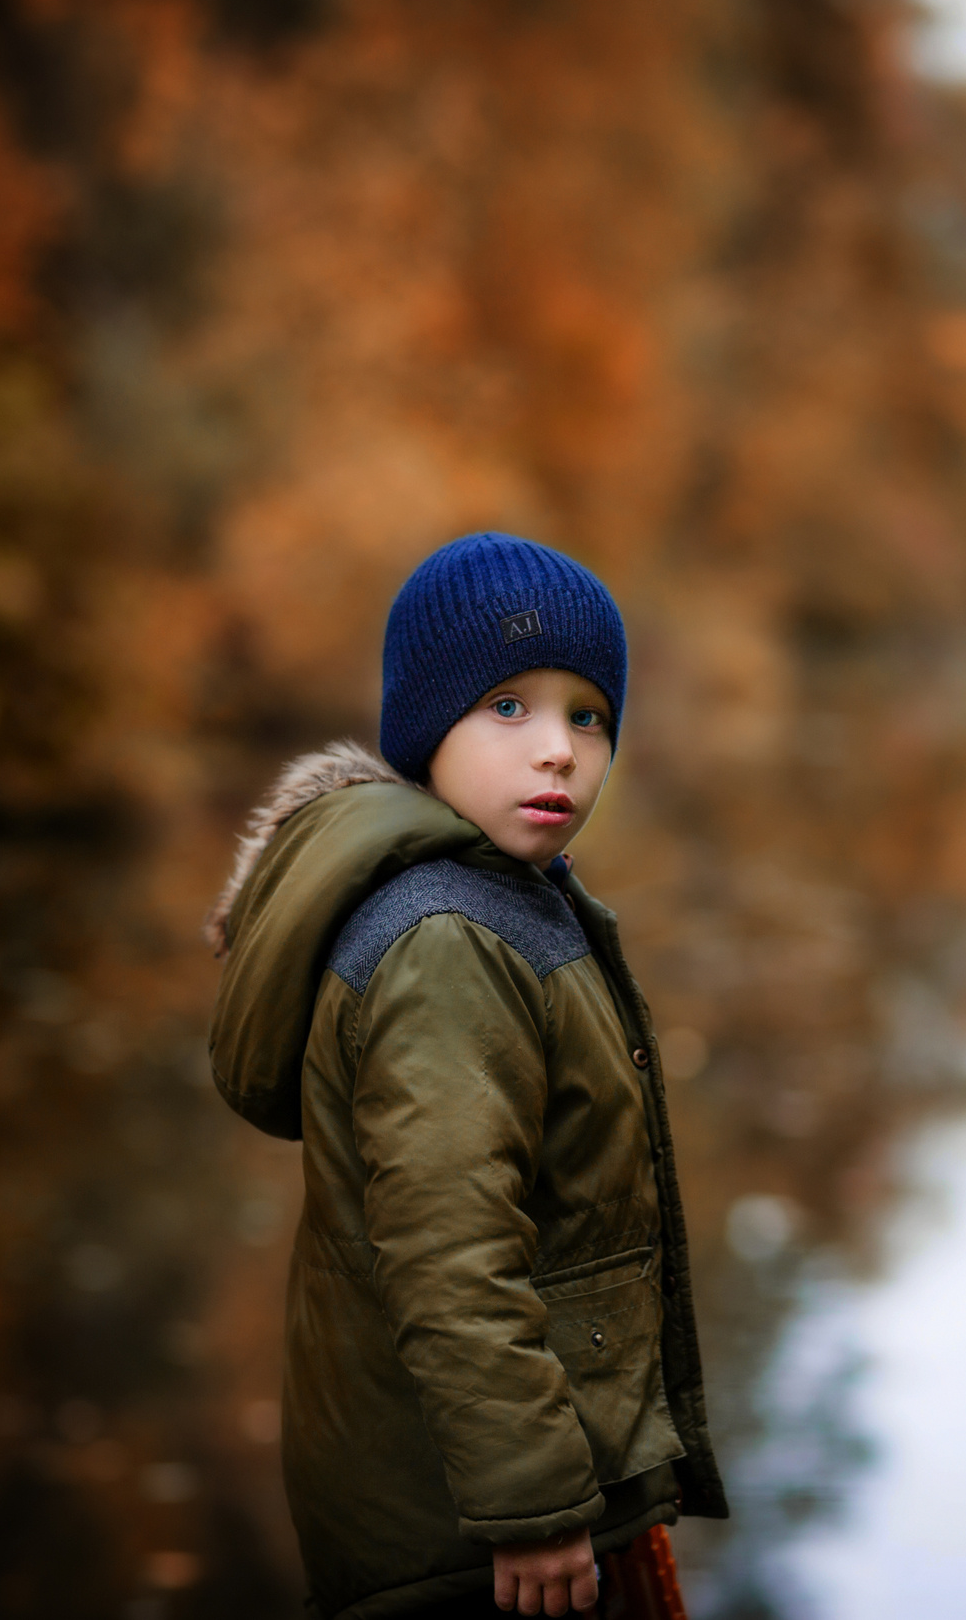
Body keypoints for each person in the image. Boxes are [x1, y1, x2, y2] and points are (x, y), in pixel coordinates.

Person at [204, 533, 726, 1620]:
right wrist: (534, 1505)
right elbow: (450, 1253)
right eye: (508, 708)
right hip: (470, 1542)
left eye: (587, 715)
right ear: (424, 727)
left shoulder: (510, 897)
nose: (558, 752)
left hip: (508, 1503)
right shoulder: (443, 937)